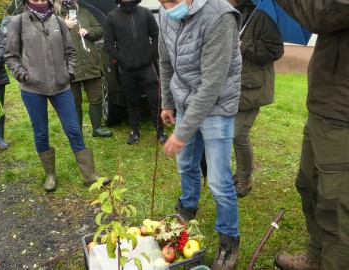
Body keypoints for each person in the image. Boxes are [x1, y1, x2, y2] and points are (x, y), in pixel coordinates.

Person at [158, 0, 242, 268]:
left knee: (218, 178)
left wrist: (181, 133)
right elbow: (165, 61)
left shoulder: (221, 17)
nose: (167, 6)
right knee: (186, 164)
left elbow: (212, 85)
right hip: (184, 101)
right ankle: (187, 208)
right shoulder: (165, 12)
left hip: (217, 105)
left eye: (171, 0)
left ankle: (229, 239)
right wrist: (167, 102)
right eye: (161, 1)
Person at [272, 1, 349, 270]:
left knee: (336, 211)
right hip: (323, 106)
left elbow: (322, 12)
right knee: (309, 184)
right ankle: (316, 257)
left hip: (343, 117)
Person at [5, 0, 108, 192]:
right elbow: (11, 56)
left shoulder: (58, 22)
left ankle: (89, 175)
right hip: (32, 89)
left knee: (74, 130)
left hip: (61, 86)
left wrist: (69, 73)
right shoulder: (18, 22)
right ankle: (50, 175)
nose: (40, 1)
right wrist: (24, 75)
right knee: (41, 132)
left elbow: (70, 51)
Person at [228, 0, 284, 197]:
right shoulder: (232, 13)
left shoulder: (260, 16)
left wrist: (244, 46)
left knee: (238, 134)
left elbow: (276, 50)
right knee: (231, 132)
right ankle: (239, 173)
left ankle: (245, 179)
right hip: (233, 84)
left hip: (252, 87)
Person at [103, 0, 167, 145]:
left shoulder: (145, 12)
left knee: (155, 100)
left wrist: (150, 54)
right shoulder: (112, 16)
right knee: (131, 101)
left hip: (146, 67)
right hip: (127, 69)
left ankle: (160, 132)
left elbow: (157, 35)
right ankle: (135, 131)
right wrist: (122, 59)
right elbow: (108, 44)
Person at [54, 0, 113, 138]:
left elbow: (100, 30)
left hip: (90, 64)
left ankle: (97, 128)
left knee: (96, 98)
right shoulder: (55, 17)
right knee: (74, 103)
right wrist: (65, 26)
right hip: (70, 66)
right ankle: (77, 132)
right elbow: (50, 39)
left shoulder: (85, 13)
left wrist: (89, 31)